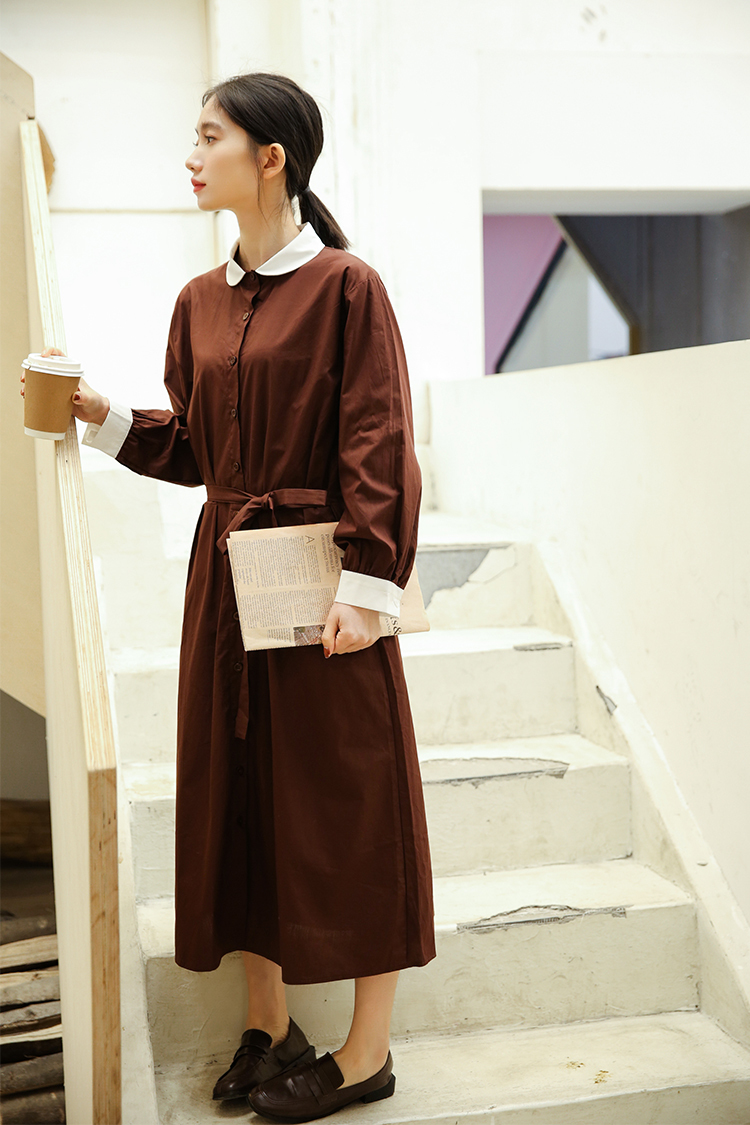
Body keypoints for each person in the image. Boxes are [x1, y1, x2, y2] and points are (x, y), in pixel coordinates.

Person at [24, 72, 436, 1122]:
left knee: (351, 804)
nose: (191, 155)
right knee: (241, 792)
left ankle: (366, 1053)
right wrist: (103, 414)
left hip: (325, 585)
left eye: (210, 137)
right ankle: (269, 1023)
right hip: (227, 585)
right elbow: (202, 449)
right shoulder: (197, 302)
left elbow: (379, 437)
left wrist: (368, 585)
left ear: (271, 158)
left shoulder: (348, 287)